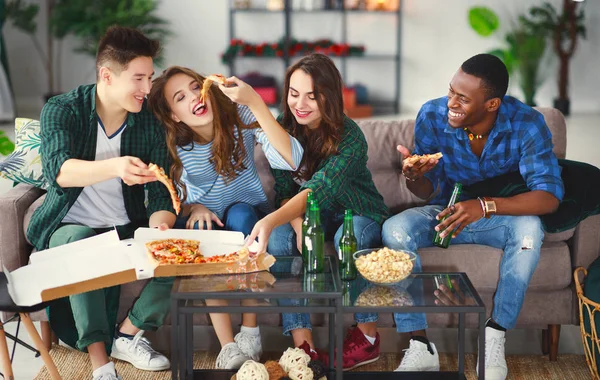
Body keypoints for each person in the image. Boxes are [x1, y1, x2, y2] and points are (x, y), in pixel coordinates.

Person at [381, 53, 564, 379]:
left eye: (462, 98)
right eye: (451, 91)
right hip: (444, 213)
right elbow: (427, 190)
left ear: (492, 104)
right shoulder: (432, 115)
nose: (451, 102)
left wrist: (484, 206)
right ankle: (420, 346)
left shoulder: (527, 124)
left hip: (497, 218)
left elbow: (548, 197)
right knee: (394, 229)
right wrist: (414, 177)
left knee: (529, 230)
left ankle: (494, 334)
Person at [26, 26, 176, 380]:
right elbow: (60, 171)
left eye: (150, 78)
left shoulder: (149, 124)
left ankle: (128, 334)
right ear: (106, 75)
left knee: (175, 248)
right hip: (67, 228)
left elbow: (158, 193)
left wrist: (160, 226)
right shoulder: (62, 110)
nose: (147, 89)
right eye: (138, 78)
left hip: (124, 227)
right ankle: (101, 365)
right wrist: (116, 166)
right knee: (84, 243)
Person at [147, 66, 303, 369]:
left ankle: (250, 329)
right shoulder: (176, 147)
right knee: (202, 232)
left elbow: (293, 158)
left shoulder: (239, 117)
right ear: (175, 115)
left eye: (196, 87)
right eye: (181, 97)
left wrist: (255, 102)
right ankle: (228, 346)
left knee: (243, 214)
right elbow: (176, 198)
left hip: (245, 214)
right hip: (206, 223)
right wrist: (195, 209)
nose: (194, 97)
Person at [244, 53, 389, 370]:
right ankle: (303, 344)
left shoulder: (351, 137)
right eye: (294, 94)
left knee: (347, 240)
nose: (301, 104)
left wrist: (269, 220)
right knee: (280, 239)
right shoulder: (282, 129)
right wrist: (295, 225)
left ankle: (367, 337)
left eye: (313, 95)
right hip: (308, 214)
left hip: (356, 211)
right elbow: (285, 192)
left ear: (330, 96)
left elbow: (318, 189)